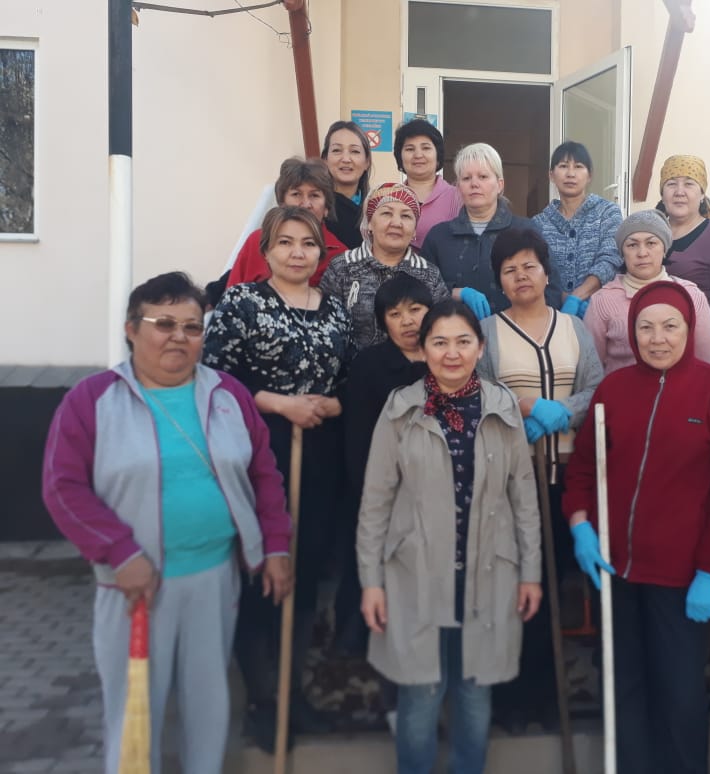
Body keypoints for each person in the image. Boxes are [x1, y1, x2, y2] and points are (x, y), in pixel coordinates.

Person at [41, 271, 293, 774]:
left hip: (215, 579)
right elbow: (62, 488)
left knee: (208, 706)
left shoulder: (228, 394)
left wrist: (276, 546)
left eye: (192, 326)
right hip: (135, 586)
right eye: (164, 323)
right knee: (135, 715)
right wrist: (120, 553)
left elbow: (263, 475)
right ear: (132, 329)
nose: (179, 336)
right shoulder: (93, 400)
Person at [563, 280, 710, 774]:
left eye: (670, 326)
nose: (658, 338)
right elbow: (582, 470)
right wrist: (581, 525)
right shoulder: (613, 389)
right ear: (632, 333)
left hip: (683, 579)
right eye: (646, 328)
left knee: (680, 695)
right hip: (616, 573)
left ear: (689, 329)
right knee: (623, 688)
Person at [357, 299, 543, 774]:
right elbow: (376, 501)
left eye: (463, 341)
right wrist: (371, 582)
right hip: (415, 572)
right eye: (439, 342)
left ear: (480, 348)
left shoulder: (501, 407)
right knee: (421, 693)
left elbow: (522, 497)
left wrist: (531, 573)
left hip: (489, 568)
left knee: (474, 692)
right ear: (423, 350)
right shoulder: (401, 409)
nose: (452, 353)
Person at [204, 206, 356, 752]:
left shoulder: (335, 310)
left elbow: (348, 379)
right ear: (266, 250)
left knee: (304, 571)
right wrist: (278, 403)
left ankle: (295, 694)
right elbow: (215, 376)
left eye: (308, 243)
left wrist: (331, 404)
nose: (297, 252)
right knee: (263, 572)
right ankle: (261, 701)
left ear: (320, 253)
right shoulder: (242, 303)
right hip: (258, 447)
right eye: (285, 242)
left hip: (317, 453)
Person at [476, 227, 603, 730]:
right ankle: (512, 701)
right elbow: (477, 388)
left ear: (547, 273)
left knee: (554, 586)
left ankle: (551, 699)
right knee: (517, 588)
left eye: (529, 266)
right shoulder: (487, 331)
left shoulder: (575, 328)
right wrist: (525, 406)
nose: (521, 276)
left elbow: (596, 388)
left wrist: (563, 412)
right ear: (499, 281)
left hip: (570, 479)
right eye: (509, 270)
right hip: (513, 481)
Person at [334, 273, 433, 657]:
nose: (408, 321)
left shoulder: (445, 359)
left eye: (415, 310)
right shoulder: (369, 366)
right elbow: (358, 439)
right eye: (395, 313)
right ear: (382, 322)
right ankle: (354, 648)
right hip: (379, 489)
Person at [421, 142, 561, 319]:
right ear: (458, 187)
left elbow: (552, 288)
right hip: (455, 334)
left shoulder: (526, 231)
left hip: (516, 332)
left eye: (483, 176)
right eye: (466, 178)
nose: (474, 184)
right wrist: (456, 292)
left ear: (500, 184)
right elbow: (421, 292)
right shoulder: (439, 237)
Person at [584, 208, 710, 373]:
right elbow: (591, 370)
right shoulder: (603, 300)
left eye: (651, 243)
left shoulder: (692, 296)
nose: (642, 253)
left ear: (665, 249)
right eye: (632, 245)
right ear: (622, 253)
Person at [319, 182, 450, 350]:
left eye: (406, 216)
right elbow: (326, 328)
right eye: (387, 213)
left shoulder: (428, 274)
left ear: (414, 230)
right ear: (370, 223)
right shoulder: (342, 268)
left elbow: (442, 330)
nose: (396, 223)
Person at [657, 154, 710, 351]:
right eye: (671, 184)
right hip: (653, 341)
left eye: (689, 184)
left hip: (700, 341)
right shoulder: (649, 233)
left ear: (702, 194)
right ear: (662, 194)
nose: (679, 192)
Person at [225, 157, 347, 290]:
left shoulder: (340, 256)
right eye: (296, 194)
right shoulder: (257, 240)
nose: (306, 204)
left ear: (326, 208)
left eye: (314, 195)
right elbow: (230, 294)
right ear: (282, 203)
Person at [532, 141, 623, 317]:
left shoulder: (607, 213)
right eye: (563, 166)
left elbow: (610, 260)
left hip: (601, 313)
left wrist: (577, 297)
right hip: (552, 315)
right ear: (551, 175)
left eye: (578, 166)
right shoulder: (538, 224)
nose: (571, 174)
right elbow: (536, 270)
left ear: (589, 175)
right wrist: (562, 298)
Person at [393, 118, 462, 249]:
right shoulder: (389, 197)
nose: (418, 155)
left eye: (426, 148)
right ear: (399, 156)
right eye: (410, 149)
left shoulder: (458, 197)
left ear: (438, 155)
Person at [322, 119, 373, 250]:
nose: (345, 159)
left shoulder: (377, 209)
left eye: (354, 151)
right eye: (337, 150)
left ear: (367, 162)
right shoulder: (315, 207)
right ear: (325, 159)